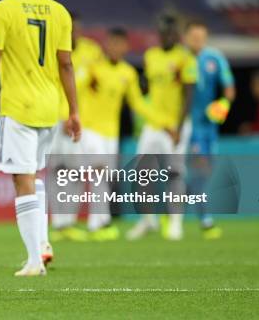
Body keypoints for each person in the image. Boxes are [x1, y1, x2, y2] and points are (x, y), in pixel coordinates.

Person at [0, 0, 81, 276]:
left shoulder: (3, 9)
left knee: (23, 181)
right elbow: (66, 64)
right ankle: (43, 245)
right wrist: (74, 110)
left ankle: (34, 261)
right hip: (50, 108)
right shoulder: (59, 11)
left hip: (19, 108)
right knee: (34, 176)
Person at [51, 27, 171, 242]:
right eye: (112, 43)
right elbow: (73, 89)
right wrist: (65, 116)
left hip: (111, 134)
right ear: (107, 45)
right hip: (89, 130)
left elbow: (138, 103)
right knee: (98, 171)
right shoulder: (93, 69)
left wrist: (163, 122)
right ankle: (97, 222)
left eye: (120, 44)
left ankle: (88, 224)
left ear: (126, 46)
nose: (116, 48)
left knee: (101, 178)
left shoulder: (128, 73)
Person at [126, 14, 197, 241]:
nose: (166, 36)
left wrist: (177, 125)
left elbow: (189, 94)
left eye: (170, 32)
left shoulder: (186, 59)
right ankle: (148, 220)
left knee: (174, 173)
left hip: (176, 125)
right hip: (153, 125)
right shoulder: (151, 56)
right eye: (162, 32)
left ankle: (175, 222)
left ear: (176, 34)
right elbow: (147, 89)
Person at [49, 15, 103, 242]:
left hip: (78, 122)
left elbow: (98, 83)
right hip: (54, 121)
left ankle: (68, 222)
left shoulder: (92, 52)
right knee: (54, 171)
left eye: (76, 29)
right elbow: (51, 85)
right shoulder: (53, 50)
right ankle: (58, 223)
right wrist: (60, 116)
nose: (73, 34)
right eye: (70, 29)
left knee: (75, 173)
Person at [184, 20, 236, 240]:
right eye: (194, 37)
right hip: (187, 126)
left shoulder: (215, 58)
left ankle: (173, 206)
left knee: (202, 174)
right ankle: (206, 220)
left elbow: (229, 89)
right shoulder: (181, 59)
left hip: (209, 127)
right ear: (186, 37)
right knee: (200, 172)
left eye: (201, 38)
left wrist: (222, 105)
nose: (197, 41)